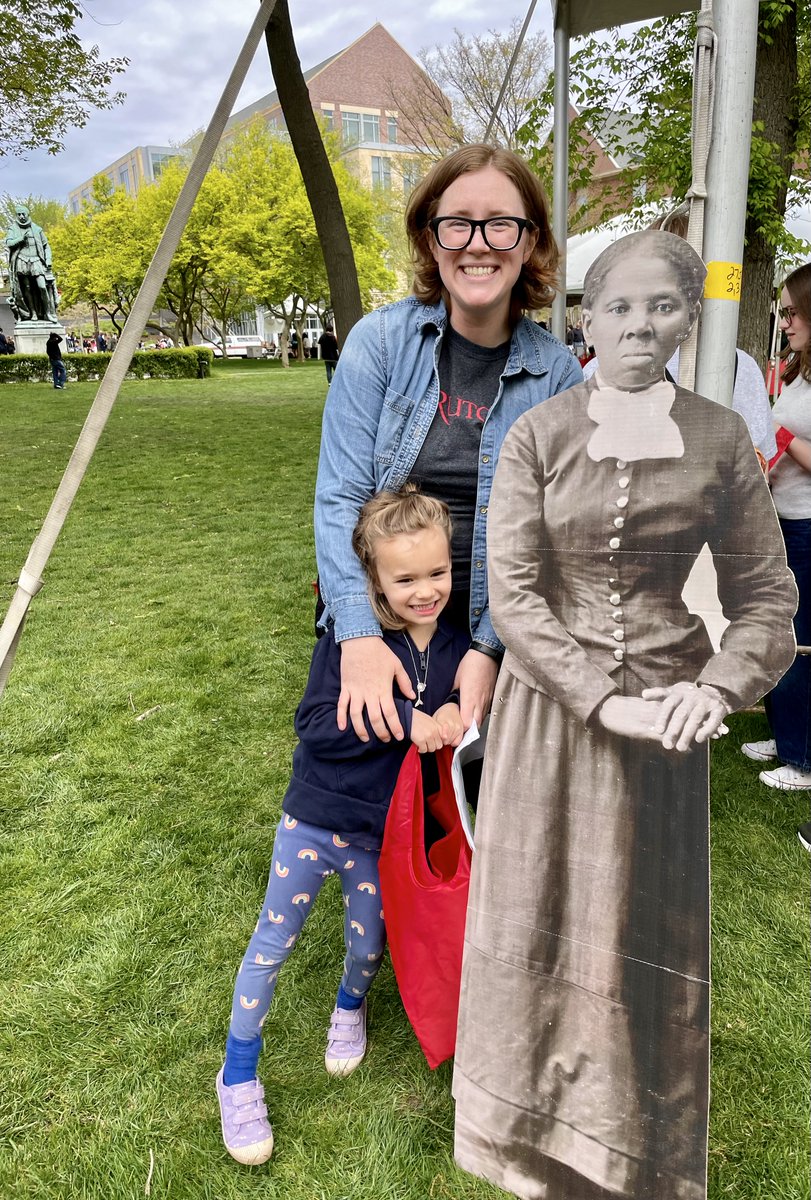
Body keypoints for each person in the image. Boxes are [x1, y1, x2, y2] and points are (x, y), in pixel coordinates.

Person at [453, 231, 797, 1200]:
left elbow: (767, 597)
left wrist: (716, 687)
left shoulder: (722, 439)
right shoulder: (533, 434)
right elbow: (513, 596)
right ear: (586, 319)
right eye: (618, 307)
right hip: (548, 722)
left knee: (638, 939)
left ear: (690, 319)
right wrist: (603, 700)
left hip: (670, 724)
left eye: (663, 306)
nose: (640, 325)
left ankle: (622, 1150)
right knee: (536, 924)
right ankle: (524, 1142)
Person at [216, 488, 469, 1166]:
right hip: (314, 822)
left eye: (437, 574)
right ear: (372, 579)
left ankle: (348, 1009)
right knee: (272, 943)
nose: (425, 592)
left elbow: (452, 737)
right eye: (405, 578)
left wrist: (454, 718)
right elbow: (316, 725)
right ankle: (237, 1074)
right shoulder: (349, 642)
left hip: (383, 840)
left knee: (366, 950)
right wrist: (406, 722)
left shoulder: (457, 646)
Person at [315, 143, 582, 748]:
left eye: (502, 224)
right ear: (432, 239)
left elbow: (551, 533)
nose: (478, 242)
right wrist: (357, 635)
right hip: (386, 619)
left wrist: (489, 647)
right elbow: (341, 498)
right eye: (457, 223)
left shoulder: (559, 375)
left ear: (531, 242)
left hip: (503, 627)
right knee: (371, 800)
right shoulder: (380, 343)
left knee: (483, 813)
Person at [741, 261, 811, 814]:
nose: (784, 321)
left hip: (808, 525)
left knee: (800, 638)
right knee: (777, 632)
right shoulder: (797, 371)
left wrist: (782, 438)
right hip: (782, 518)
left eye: (790, 312)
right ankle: (784, 735)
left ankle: (802, 757)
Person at [5, 205, 58, 323]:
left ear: (28, 214)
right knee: (27, 288)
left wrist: (48, 259)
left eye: (23, 214)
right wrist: (20, 239)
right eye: (19, 214)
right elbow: (8, 242)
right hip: (21, 260)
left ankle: (47, 313)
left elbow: (46, 246)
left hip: (36, 260)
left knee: (42, 286)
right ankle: (32, 312)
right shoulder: (13, 229)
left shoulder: (37, 229)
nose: (21, 216)